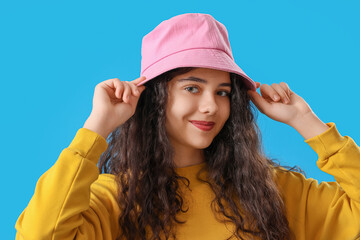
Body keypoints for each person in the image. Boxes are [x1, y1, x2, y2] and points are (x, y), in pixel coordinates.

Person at [15, 13, 360, 240]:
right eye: (192, 88)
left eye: (222, 92)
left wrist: (307, 122)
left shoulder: (272, 192)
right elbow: (38, 234)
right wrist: (96, 128)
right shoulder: (115, 199)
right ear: (155, 97)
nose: (211, 106)